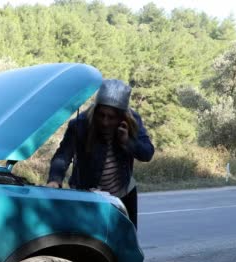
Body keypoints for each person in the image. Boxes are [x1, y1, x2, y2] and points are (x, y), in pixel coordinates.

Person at [46, 79, 155, 229]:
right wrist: (55, 179)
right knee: (87, 240)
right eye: (101, 115)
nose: (105, 122)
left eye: (111, 117)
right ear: (96, 110)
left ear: (122, 117)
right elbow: (63, 155)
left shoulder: (133, 121)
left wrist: (127, 142)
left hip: (123, 194)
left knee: (125, 241)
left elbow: (147, 153)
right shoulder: (80, 124)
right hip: (88, 196)